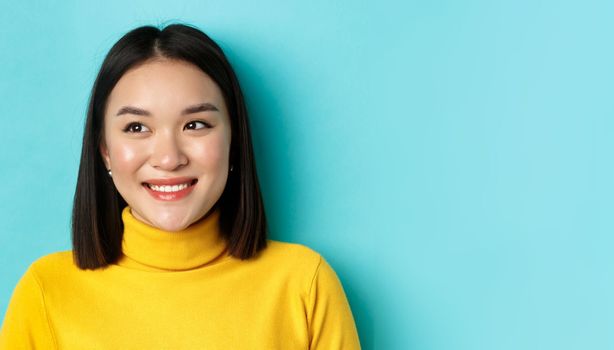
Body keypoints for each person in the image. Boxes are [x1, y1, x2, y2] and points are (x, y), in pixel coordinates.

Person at [0, 23, 361, 349]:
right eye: (137, 128)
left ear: (234, 140)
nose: (169, 158)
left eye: (195, 125)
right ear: (105, 151)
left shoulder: (304, 285)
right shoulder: (46, 292)